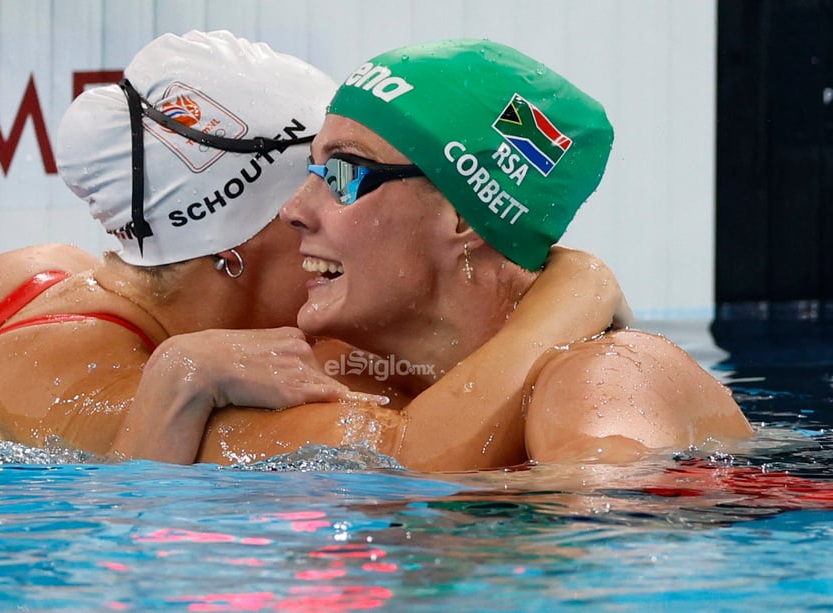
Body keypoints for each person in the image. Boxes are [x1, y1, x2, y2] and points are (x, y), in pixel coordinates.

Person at [0, 31, 618, 464]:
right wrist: (573, 290)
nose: (318, 216)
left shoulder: (36, 271)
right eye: (311, 189)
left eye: (340, 183)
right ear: (232, 243)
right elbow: (421, 458)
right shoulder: (114, 394)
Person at [128, 38, 753, 470]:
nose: (294, 208)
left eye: (342, 174)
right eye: (309, 169)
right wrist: (179, 376)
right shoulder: (342, 372)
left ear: (463, 214)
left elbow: (602, 551)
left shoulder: (602, 383)